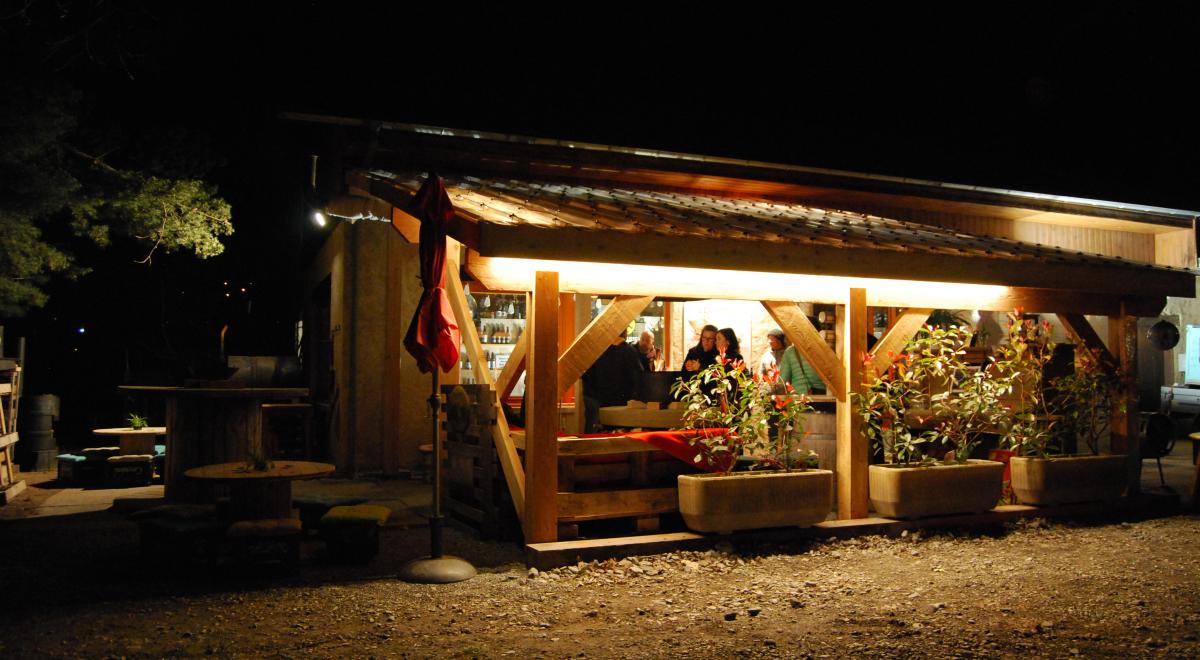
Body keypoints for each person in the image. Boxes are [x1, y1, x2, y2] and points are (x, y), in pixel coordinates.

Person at [582, 329, 644, 431]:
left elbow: (586, 376)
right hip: (621, 405)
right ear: (625, 332)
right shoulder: (629, 351)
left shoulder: (596, 351)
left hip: (597, 403)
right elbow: (638, 379)